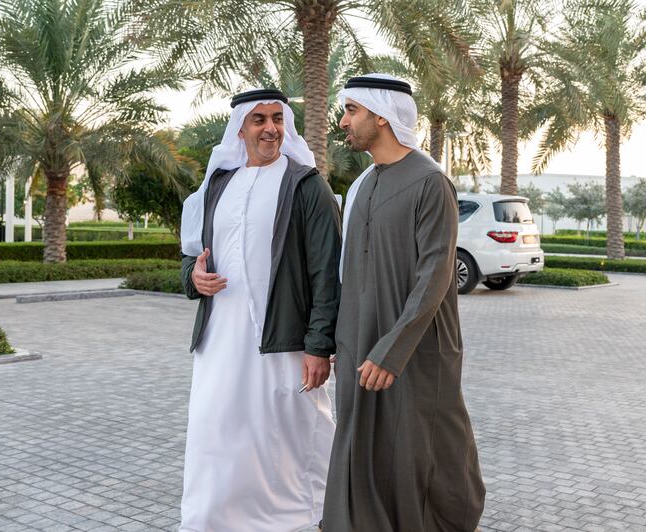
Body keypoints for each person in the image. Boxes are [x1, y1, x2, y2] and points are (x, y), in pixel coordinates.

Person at [322, 74, 486, 531]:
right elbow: (347, 274)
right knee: (362, 448)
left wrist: (392, 351)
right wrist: (344, 339)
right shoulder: (362, 186)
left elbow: (434, 277)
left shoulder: (432, 183)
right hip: (360, 348)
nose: (343, 122)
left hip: (416, 353)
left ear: (381, 115)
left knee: (419, 452)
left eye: (351, 110)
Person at [178, 88, 341, 531]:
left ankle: (298, 519)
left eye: (276, 119)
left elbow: (327, 273)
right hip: (219, 343)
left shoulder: (306, 185)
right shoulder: (216, 185)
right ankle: (213, 520)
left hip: (283, 341)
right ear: (241, 129)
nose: (270, 128)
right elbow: (190, 256)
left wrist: (318, 344)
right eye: (259, 120)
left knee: (284, 436)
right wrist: (194, 279)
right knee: (217, 434)